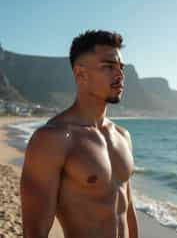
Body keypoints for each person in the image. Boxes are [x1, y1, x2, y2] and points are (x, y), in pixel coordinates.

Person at [20, 30, 139, 238]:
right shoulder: (52, 140)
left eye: (121, 67)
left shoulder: (123, 136)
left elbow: (127, 209)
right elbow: (35, 230)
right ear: (80, 74)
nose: (120, 75)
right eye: (109, 67)